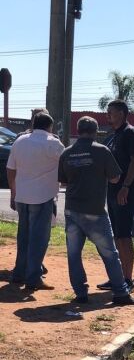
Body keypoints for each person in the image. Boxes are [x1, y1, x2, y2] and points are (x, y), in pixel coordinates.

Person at [59, 116, 134, 305]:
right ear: (95, 132)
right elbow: (114, 178)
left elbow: (62, 181)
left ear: (78, 131)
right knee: (110, 254)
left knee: (73, 254)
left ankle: (80, 293)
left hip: (71, 210)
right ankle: (121, 293)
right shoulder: (102, 151)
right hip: (95, 211)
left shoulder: (67, 153)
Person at [8, 112, 64, 289]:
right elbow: (66, 168)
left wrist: (13, 192)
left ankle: (19, 273)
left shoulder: (20, 141)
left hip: (22, 196)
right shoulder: (54, 144)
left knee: (23, 236)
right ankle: (33, 278)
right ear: (50, 126)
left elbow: (11, 169)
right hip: (43, 197)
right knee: (38, 239)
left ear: (33, 124)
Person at [100, 99, 134, 293]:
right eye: (107, 112)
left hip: (125, 192)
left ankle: (128, 279)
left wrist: (126, 186)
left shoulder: (129, 133)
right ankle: (117, 278)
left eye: (111, 112)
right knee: (116, 236)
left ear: (122, 114)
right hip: (112, 192)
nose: (108, 115)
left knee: (124, 235)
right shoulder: (113, 135)